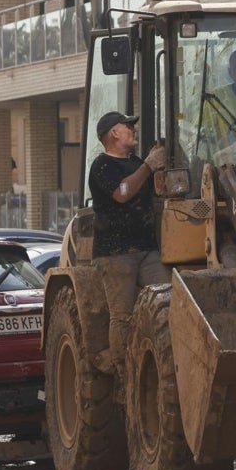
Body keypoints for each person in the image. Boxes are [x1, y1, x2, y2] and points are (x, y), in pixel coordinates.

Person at [88, 111, 168, 374]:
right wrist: (147, 167)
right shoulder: (102, 166)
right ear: (113, 133)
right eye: (127, 126)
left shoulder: (135, 162)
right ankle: (125, 374)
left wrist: (158, 171)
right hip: (115, 253)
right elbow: (122, 194)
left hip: (146, 249)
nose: (133, 129)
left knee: (167, 299)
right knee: (122, 315)